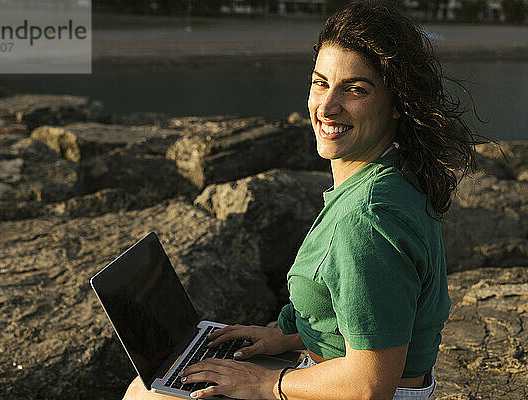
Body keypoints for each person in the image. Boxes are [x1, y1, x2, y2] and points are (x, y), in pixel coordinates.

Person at [124, 1, 489, 399]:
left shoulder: (367, 219)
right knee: (172, 375)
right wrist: (290, 335)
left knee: (149, 393)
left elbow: (370, 385)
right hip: (335, 368)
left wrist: (266, 384)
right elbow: (376, 311)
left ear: (398, 103)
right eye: (320, 82)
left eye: (355, 89)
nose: (327, 106)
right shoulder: (396, 172)